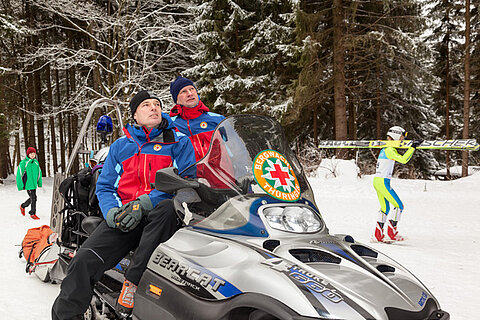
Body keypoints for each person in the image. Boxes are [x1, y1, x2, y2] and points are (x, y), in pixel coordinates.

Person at [51, 90, 197, 320]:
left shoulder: (178, 142)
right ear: (135, 116)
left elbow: (186, 184)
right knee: (83, 261)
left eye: (157, 104)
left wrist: (147, 201)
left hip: (162, 218)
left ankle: (132, 283)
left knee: (167, 209)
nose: (154, 108)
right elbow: (106, 186)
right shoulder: (121, 146)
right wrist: (111, 212)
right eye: (146, 105)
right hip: (126, 217)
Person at [372, 126, 422, 243]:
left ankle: (378, 235)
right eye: (401, 137)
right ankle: (391, 234)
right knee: (399, 206)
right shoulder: (389, 150)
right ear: (395, 136)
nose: (402, 140)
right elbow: (404, 160)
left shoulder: (385, 148)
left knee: (385, 208)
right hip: (383, 182)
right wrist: (413, 147)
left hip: (378, 181)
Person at [169, 76, 225, 161]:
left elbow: (234, 147)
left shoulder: (218, 119)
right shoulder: (171, 125)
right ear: (176, 99)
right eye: (183, 91)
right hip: (189, 173)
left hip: (221, 172)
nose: (189, 94)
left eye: (191, 89)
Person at [16, 147, 42, 220]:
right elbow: (19, 175)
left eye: (34, 154)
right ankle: (32, 213)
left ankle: (23, 206)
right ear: (28, 154)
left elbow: (39, 173)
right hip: (28, 184)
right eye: (31, 154)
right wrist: (20, 186)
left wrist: (39, 183)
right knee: (33, 198)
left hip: (34, 184)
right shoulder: (24, 163)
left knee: (33, 198)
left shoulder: (36, 162)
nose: (33, 155)